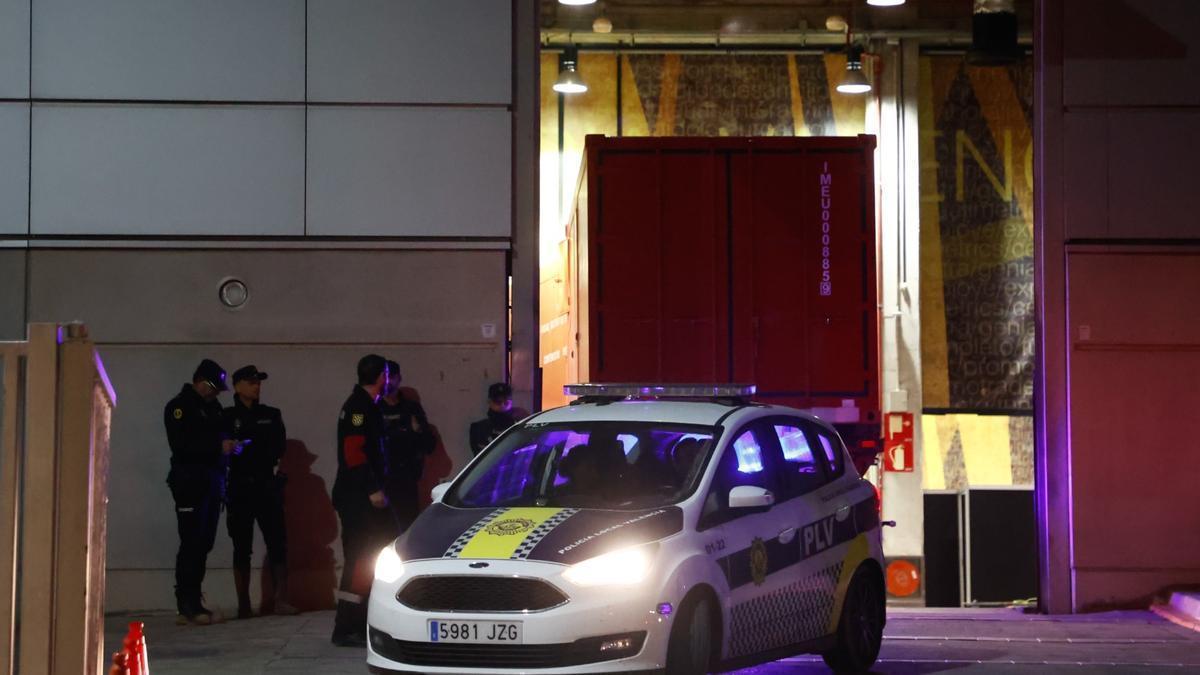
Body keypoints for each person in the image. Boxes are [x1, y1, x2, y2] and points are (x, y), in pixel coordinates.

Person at [163, 358, 238, 625]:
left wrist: (230, 446)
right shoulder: (179, 408)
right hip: (190, 482)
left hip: (211, 481)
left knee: (204, 543)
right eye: (213, 387)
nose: (216, 393)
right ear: (201, 383)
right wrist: (218, 447)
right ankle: (186, 603)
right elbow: (181, 445)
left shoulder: (213, 408)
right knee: (191, 542)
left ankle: (195, 600)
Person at [222, 365, 298, 619]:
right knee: (241, 545)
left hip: (266, 485)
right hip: (239, 486)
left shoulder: (271, 414)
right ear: (238, 385)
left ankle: (281, 600)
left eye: (258, 382)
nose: (257, 386)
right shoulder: (226, 416)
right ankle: (243, 603)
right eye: (251, 382)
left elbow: (278, 447)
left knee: (278, 542)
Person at [331, 354, 394, 647]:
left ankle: (366, 618)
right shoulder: (359, 408)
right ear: (382, 376)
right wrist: (372, 488)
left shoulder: (368, 406)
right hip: (359, 499)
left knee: (374, 556)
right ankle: (347, 626)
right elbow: (354, 452)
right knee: (359, 559)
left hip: (364, 496)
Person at [378, 360, 436, 532]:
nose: (387, 382)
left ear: (398, 379)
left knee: (407, 529)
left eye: (391, 377)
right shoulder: (370, 408)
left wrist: (416, 431)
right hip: (380, 481)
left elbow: (429, 444)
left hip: (406, 480)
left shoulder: (411, 408)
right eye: (384, 378)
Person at [469, 382, 517, 456]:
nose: (502, 405)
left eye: (506, 401)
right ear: (489, 401)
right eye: (497, 401)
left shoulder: (518, 426)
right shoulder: (478, 429)